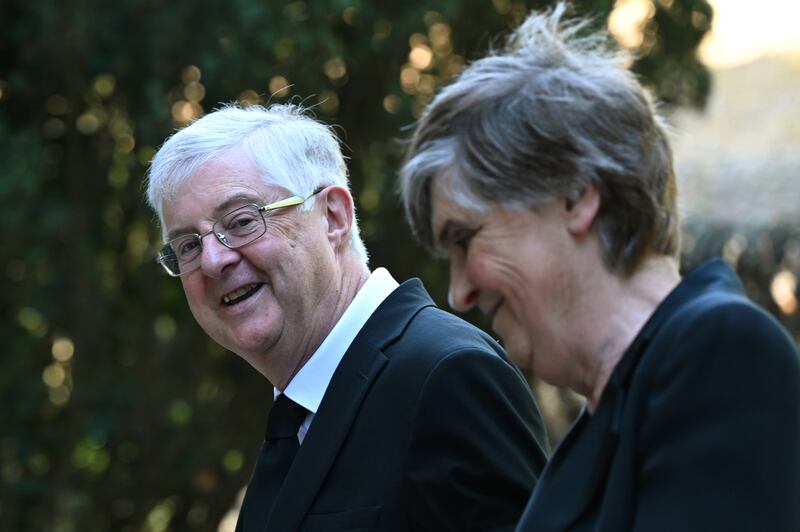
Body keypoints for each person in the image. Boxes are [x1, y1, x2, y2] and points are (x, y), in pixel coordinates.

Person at [398, 4, 800, 531]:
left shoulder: (720, 350)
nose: (459, 293)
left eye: (466, 239)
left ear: (574, 195)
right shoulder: (606, 420)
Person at [145, 103, 548, 531]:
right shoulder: (297, 414)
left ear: (334, 217)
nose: (212, 260)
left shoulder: (445, 375)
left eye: (242, 221)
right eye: (188, 245)